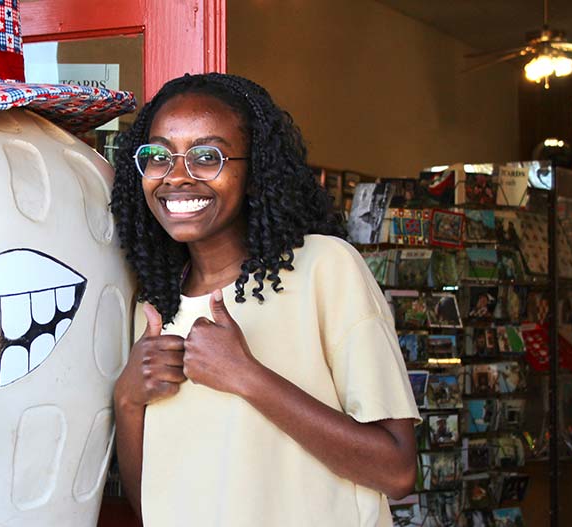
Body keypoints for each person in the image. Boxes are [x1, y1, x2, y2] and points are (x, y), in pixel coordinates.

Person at [109, 73, 420, 527]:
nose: (177, 175)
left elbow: (396, 470)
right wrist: (127, 400)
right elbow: (151, 502)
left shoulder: (324, 268)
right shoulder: (153, 305)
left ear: (254, 171)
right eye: (159, 156)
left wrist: (246, 376)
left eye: (206, 156)